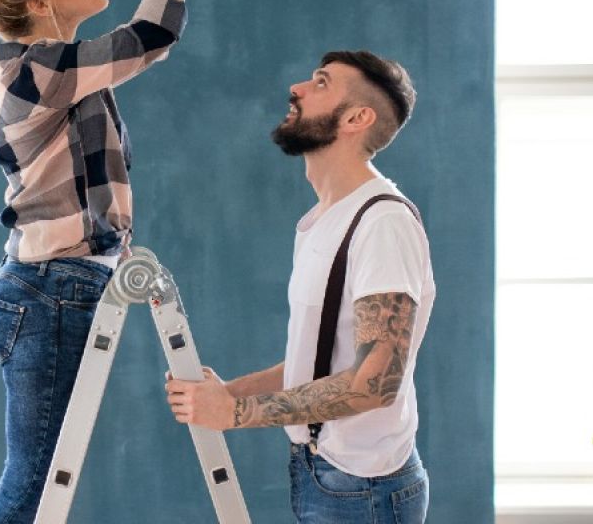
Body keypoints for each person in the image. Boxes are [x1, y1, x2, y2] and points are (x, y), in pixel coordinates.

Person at [0, 0, 201, 524]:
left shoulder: (63, 71)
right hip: (47, 291)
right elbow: (155, 32)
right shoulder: (35, 73)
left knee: (35, 484)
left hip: (55, 287)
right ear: (37, 1)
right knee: (31, 486)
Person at [165, 50, 435, 523]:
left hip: (364, 489)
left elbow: (376, 382)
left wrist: (237, 412)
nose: (298, 88)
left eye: (321, 83)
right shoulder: (325, 219)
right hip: (324, 474)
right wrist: (228, 393)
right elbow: (323, 359)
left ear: (356, 118)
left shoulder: (382, 222)